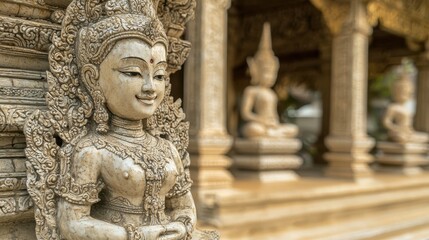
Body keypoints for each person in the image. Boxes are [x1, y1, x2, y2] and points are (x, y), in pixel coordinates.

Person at [24, 0, 214, 239]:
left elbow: (183, 206)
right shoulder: (92, 150)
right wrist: (135, 236)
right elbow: (71, 222)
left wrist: (183, 225)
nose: (150, 88)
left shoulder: (167, 148)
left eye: (158, 75)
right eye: (133, 72)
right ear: (93, 79)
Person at [241, 23, 298, 139]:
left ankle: (273, 134)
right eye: (266, 72)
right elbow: (245, 113)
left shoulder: (272, 93)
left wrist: (274, 123)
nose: (270, 76)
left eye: (272, 73)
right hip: (260, 124)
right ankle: (272, 134)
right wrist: (261, 120)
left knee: (293, 129)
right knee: (252, 129)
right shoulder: (251, 90)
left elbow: (274, 114)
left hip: (272, 126)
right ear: (256, 71)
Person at [383, 64, 428, 143]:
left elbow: (409, 124)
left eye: (406, 93)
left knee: (425, 137)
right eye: (402, 92)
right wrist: (396, 128)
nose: (404, 95)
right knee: (401, 138)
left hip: (408, 132)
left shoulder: (407, 108)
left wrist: (410, 130)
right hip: (398, 132)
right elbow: (386, 122)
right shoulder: (393, 107)